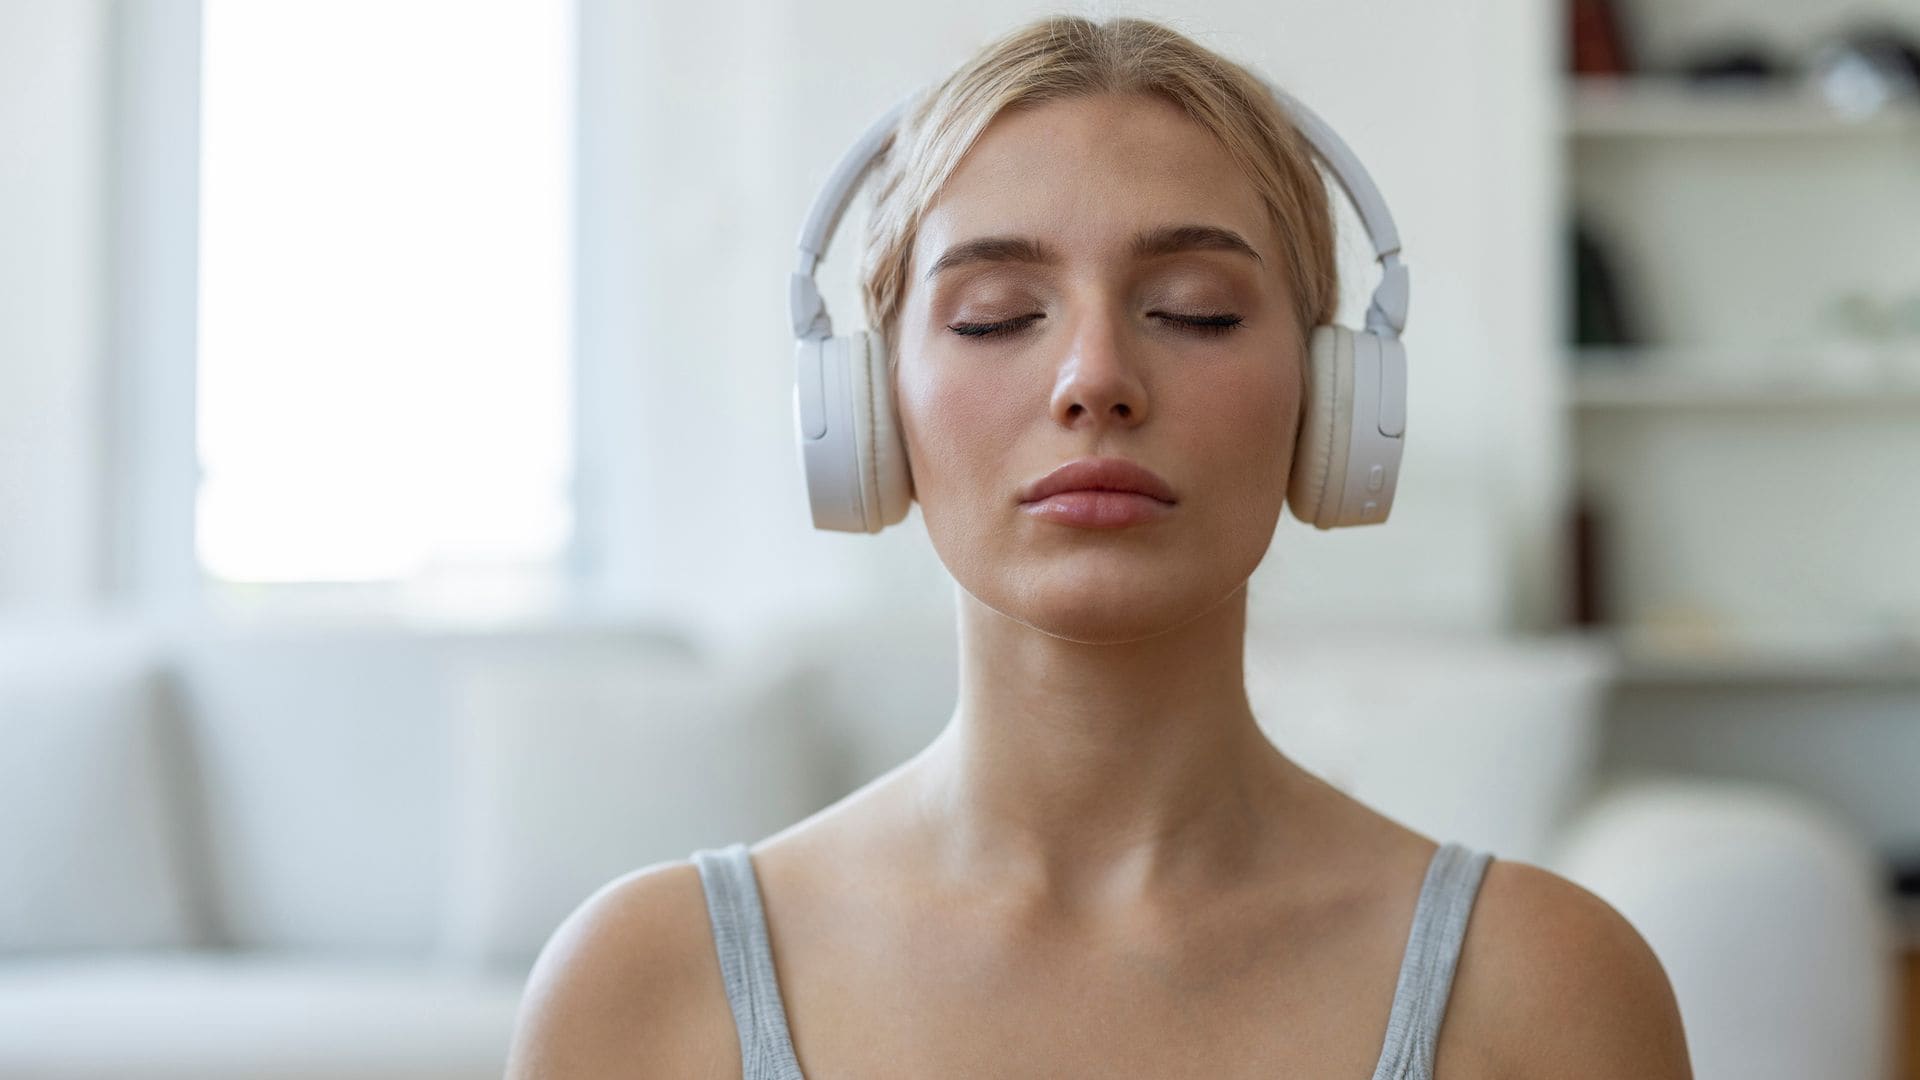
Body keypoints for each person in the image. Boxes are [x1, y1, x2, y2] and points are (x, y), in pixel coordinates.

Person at [507, 14, 1691, 1078]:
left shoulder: (1546, 987)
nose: (1096, 380)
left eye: (1195, 310)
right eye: (995, 317)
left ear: (1333, 404)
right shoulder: (647, 988)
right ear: (869, 409)